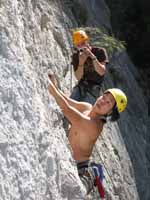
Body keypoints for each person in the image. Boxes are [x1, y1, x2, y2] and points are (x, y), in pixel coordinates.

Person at [48, 73, 127, 197]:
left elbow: (66, 108)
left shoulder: (95, 125)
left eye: (108, 103)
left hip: (78, 169)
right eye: (104, 96)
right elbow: (67, 100)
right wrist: (54, 85)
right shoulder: (87, 107)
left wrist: (50, 87)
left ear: (110, 112)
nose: (103, 101)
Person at [70, 30, 109, 104]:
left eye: (83, 43)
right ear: (75, 46)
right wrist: (81, 62)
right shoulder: (76, 56)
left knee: (84, 110)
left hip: (94, 88)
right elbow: (78, 77)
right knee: (69, 107)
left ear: (87, 41)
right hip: (81, 85)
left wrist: (92, 56)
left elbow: (102, 72)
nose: (82, 46)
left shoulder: (99, 51)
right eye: (78, 45)